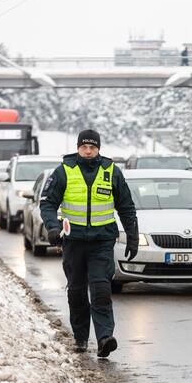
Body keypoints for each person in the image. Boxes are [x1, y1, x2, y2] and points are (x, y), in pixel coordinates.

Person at [40, 129, 138, 358]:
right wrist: (53, 227)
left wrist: (132, 237)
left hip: (102, 242)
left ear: (98, 148)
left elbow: (126, 206)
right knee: (76, 292)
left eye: (92, 147)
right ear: (78, 147)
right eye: (84, 146)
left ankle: (104, 338)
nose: (88, 150)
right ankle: (81, 337)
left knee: (101, 289)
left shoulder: (111, 171)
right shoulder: (64, 170)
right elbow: (47, 203)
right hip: (73, 244)